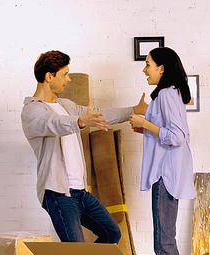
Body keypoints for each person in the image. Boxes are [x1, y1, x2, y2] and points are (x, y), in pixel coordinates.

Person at [21, 50, 148, 243]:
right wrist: (81, 121)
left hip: (80, 193)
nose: (69, 79)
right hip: (59, 194)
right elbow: (55, 123)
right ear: (49, 76)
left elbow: (99, 114)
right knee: (77, 252)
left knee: (111, 233)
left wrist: (134, 110)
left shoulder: (66, 105)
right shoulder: (32, 111)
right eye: (64, 74)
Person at [129, 47, 196, 255]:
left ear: (162, 68)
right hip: (169, 174)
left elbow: (176, 136)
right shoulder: (170, 93)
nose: (144, 70)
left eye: (148, 64)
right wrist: (146, 128)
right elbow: (168, 131)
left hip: (164, 175)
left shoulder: (166, 94)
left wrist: (144, 123)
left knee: (163, 243)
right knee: (166, 240)